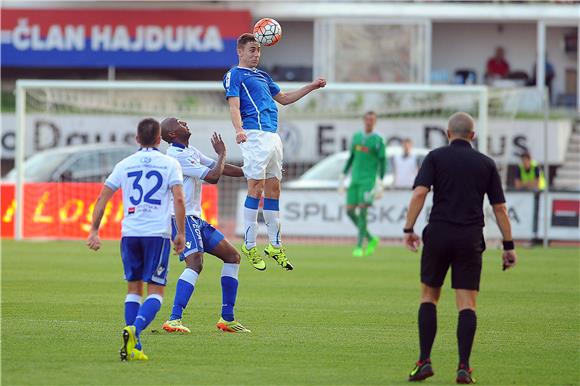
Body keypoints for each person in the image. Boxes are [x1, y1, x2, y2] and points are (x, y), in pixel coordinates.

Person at [402, 112, 517, 384]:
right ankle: (464, 367)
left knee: (429, 297)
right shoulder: (486, 164)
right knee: (467, 303)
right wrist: (509, 245)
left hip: (439, 233)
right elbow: (499, 208)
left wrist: (409, 229)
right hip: (470, 236)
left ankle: (424, 362)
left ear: (447, 133)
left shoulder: (435, 157)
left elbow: (419, 193)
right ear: (473, 135)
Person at [223, 33, 326, 271]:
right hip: (254, 135)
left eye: (258, 50)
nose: (256, 54)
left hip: (272, 136)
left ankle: (275, 245)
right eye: (251, 50)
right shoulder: (234, 75)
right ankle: (249, 244)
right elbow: (234, 105)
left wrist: (312, 86)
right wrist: (239, 130)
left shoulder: (263, 75)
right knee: (255, 188)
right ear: (240, 51)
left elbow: (285, 98)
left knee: (274, 190)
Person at [86, 118, 186, 361]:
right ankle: (135, 330)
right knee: (156, 292)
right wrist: (180, 233)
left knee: (133, 289)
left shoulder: (124, 164)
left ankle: (135, 346)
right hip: (156, 235)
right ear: (159, 139)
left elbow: (103, 197)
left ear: (137, 139)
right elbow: (180, 200)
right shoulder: (170, 164)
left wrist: (94, 230)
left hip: (130, 233)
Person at [159, 117, 250, 334]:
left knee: (232, 257)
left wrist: (251, 172)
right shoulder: (175, 157)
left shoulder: (190, 151)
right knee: (195, 263)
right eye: (180, 123)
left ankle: (227, 319)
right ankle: (174, 319)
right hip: (180, 218)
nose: (186, 123)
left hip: (196, 219)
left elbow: (220, 168)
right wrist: (221, 153)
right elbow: (213, 176)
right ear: (172, 134)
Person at [338, 111, 386, 257]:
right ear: (364, 121)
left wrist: (380, 181)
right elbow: (351, 157)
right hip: (355, 180)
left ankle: (359, 246)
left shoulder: (378, 140)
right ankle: (371, 238)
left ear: (375, 122)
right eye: (367, 119)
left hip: (368, 181)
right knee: (349, 211)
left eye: (372, 120)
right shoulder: (357, 137)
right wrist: (343, 174)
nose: (369, 122)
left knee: (363, 211)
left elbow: (382, 161)